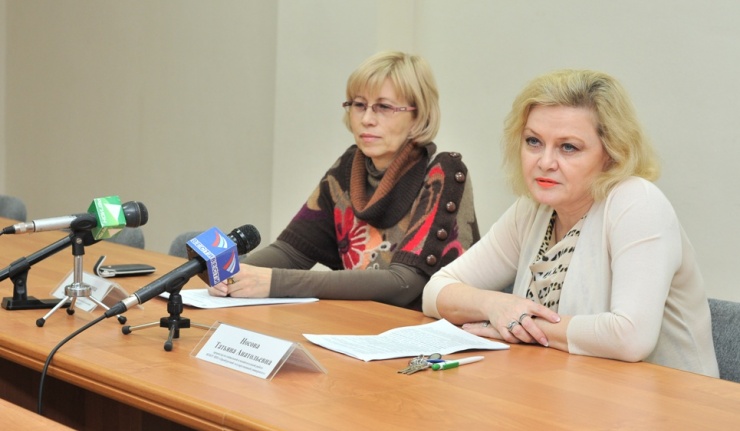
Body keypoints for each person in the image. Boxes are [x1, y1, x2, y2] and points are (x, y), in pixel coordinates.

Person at [422, 69, 719, 377]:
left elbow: (631, 338)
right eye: (533, 141)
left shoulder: (637, 203)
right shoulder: (533, 209)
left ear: (611, 154)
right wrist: (494, 306)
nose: (545, 162)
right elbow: (436, 291)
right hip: (572, 388)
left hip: (671, 399)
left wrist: (523, 326)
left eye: (568, 147)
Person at [209, 51, 479, 310]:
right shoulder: (349, 167)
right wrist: (232, 273)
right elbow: (291, 252)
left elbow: (403, 284)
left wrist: (275, 282)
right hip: (359, 326)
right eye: (359, 105)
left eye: (384, 107)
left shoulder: (443, 173)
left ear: (418, 115)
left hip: (425, 334)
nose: (367, 119)